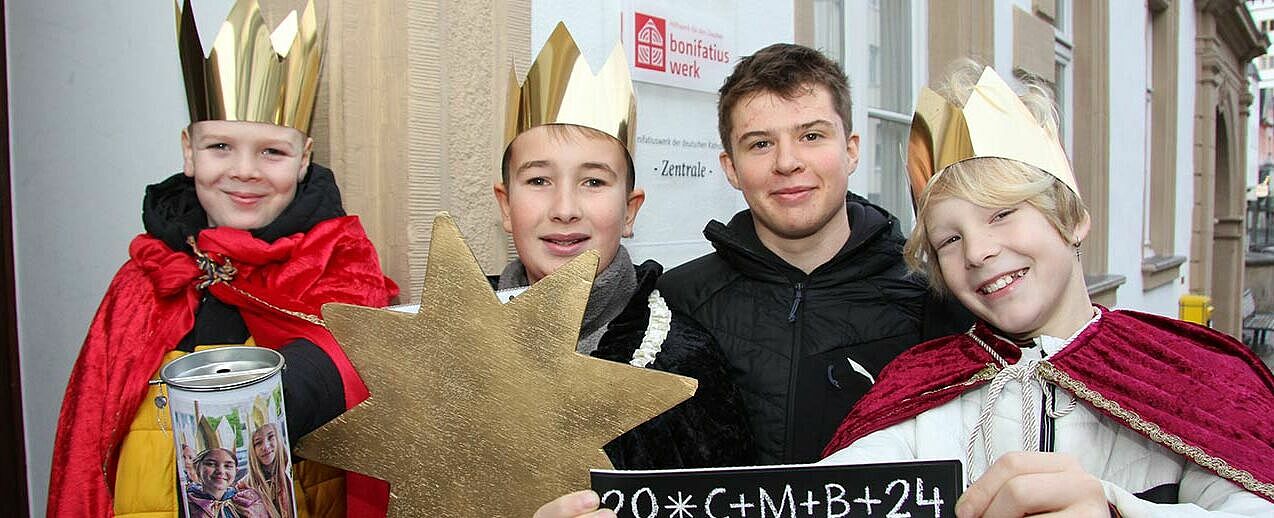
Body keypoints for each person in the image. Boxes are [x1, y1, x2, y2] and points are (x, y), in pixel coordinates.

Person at [819, 64, 1274, 515]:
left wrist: (1118, 510)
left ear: (1072, 219)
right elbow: (842, 491)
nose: (977, 252)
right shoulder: (919, 394)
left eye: (1001, 214)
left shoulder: (1187, 375)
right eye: (950, 240)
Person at [46, 1, 398, 517]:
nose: (244, 171)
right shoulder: (144, 279)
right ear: (189, 151)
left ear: (303, 160)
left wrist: (287, 386)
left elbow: (373, 363)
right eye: (220, 147)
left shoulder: (335, 263)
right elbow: (89, 437)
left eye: (272, 153)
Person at [657, 42, 970, 465]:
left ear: (852, 149)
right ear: (731, 167)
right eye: (760, 144)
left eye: (811, 135)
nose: (787, 162)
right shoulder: (677, 301)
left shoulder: (932, 295)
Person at [495, 23, 753, 469]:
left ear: (630, 211)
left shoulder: (682, 365)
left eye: (593, 181)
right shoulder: (442, 335)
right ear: (505, 205)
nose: (564, 208)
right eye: (538, 180)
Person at [186, 448, 269, 518]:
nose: (220, 471)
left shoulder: (247, 501)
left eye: (228, 466)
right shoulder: (187, 503)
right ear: (198, 469)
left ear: (235, 472)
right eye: (211, 464)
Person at [240, 420, 293, 518]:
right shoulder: (243, 486)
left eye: (270, 437)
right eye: (258, 442)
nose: (266, 446)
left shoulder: (291, 471)